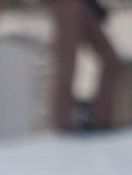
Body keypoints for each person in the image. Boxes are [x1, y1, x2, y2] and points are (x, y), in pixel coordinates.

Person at [50, 0, 121, 132]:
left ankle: (101, 118)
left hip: (85, 5)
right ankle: (64, 122)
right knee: (67, 64)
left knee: (111, 60)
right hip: (65, 4)